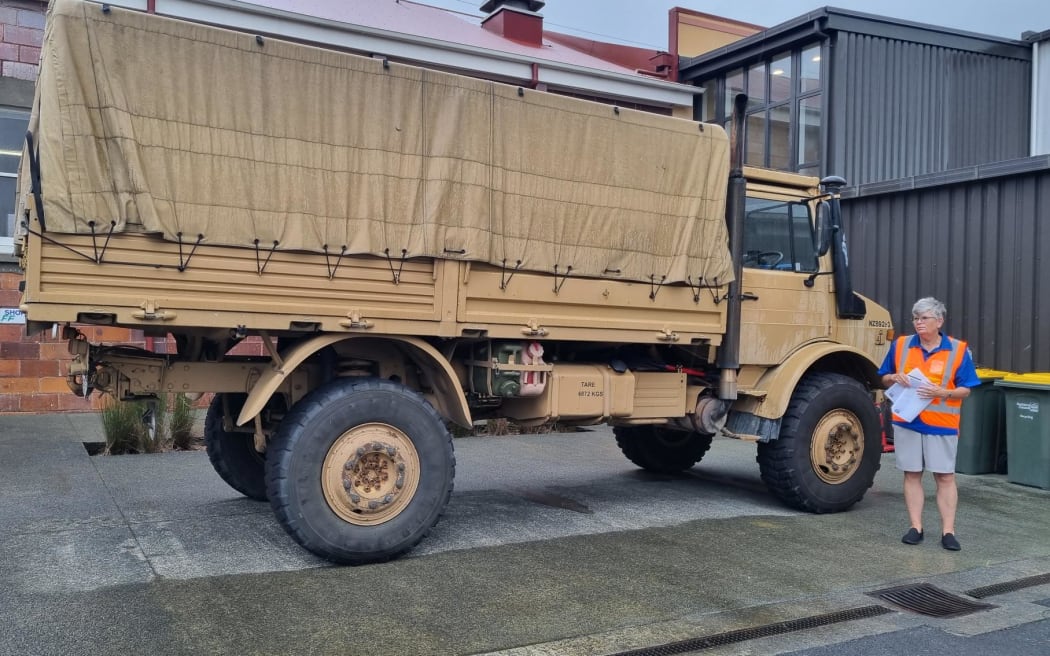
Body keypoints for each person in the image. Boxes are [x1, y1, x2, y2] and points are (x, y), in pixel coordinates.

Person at [878, 297, 980, 551]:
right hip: (908, 421)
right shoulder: (901, 345)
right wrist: (893, 377)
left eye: (924, 318)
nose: (918, 323)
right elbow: (883, 377)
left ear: (939, 321)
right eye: (915, 318)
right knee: (911, 474)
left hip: (942, 424)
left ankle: (948, 531)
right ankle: (916, 527)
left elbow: (967, 389)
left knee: (944, 477)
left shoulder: (957, 350)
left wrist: (943, 392)